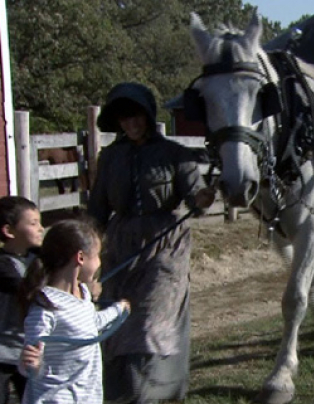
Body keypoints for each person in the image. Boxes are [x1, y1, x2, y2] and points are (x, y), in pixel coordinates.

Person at [87, 82, 215, 403]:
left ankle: (154, 392)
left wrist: (202, 196)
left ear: (148, 115)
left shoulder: (174, 154)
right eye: (125, 118)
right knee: (116, 319)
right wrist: (86, 251)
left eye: (137, 116)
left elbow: (195, 196)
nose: (132, 124)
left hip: (165, 246)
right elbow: (97, 211)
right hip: (119, 248)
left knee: (150, 323)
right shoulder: (110, 158)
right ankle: (121, 392)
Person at [18, 219, 130, 404]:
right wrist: (31, 364)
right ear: (80, 258)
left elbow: (91, 323)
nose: (99, 262)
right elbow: (30, 358)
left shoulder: (83, 293)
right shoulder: (46, 306)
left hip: (86, 396)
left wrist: (118, 309)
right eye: (97, 255)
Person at [0, 196, 44, 404]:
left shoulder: (40, 256)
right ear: (9, 231)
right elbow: (23, 290)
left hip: (30, 351)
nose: (41, 228)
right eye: (33, 223)